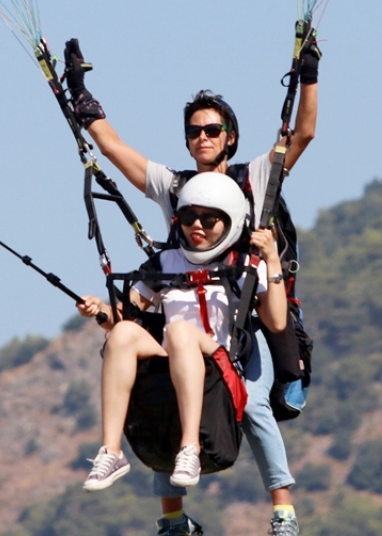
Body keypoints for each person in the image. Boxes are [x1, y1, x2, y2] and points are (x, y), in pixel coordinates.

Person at [63, 32, 321, 536]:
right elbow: (114, 149)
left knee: (254, 398)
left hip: (247, 302)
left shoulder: (257, 178)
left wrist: (308, 73)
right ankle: (169, 514)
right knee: (164, 385)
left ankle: (283, 508)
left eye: (212, 129)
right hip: (186, 297)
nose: (202, 137)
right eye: (194, 131)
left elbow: (304, 133)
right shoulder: (175, 187)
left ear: (230, 136)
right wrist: (81, 99)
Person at [76, 172, 288, 492]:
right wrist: (101, 311)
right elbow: (125, 314)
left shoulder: (244, 263)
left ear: (229, 221)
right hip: (172, 355)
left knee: (179, 331)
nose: (197, 227)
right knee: (121, 334)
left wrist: (272, 262)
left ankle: (190, 447)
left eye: (209, 219)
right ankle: (111, 450)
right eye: (189, 217)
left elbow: (276, 322)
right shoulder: (166, 262)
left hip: (217, 358)